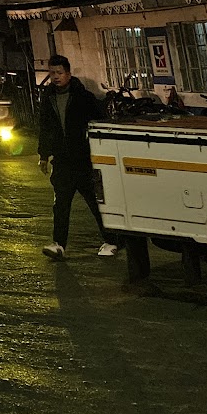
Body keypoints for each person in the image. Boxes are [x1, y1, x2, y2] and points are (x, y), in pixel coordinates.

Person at [38, 55, 118, 261]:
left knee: (95, 202)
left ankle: (112, 241)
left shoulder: (82, 96)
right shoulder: (48, 98)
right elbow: (45, 127)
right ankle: (59, 244)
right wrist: (43, 155)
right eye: (52, 73)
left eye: (59, 73)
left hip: (84, 160)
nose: (55, 77)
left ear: (68, 74)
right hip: (62, 161)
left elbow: (99, 121)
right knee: (61, 205)